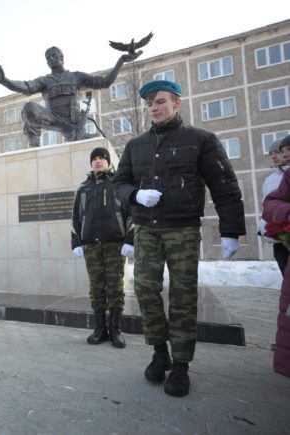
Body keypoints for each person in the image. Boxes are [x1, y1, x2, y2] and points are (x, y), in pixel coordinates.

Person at [112, 80, 246, 397]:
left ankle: (182, 366)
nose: (154, 108)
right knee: (145, 288)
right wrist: (135, 194)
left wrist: (230, 230)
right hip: (146, 228)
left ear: (177, 103)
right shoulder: (136, 145)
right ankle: (160, 352)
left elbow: (225, 186)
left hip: (183, 229)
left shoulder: (200, 140)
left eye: (160, 102)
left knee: (184, 296)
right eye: (149, 104)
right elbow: (118, 184)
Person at [0, 47, 137, 147]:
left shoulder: (76, 77)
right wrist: (4, 80)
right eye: (47, 58)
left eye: (53, 55)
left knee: (96, 142)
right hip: (53, 118)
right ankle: (34, 147)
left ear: (62, 57)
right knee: (29, 107)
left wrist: (122, 60)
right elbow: (25, 87)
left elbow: (105, 82)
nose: (51, 59)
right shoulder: (45, 80)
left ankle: (83, 136)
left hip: (72, 124)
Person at [72, 147, 133, 348]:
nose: (98, 161)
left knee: (115, 287)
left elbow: (131, 214)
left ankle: (116, 330)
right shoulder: (83, 189)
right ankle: (100, 330)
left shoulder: (118, 184)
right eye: (95, 159)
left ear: (108, 162)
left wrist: (130, 240)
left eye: (101, 158)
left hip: (115, 245)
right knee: (96, 288)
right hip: (91, 246)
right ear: (91, 163)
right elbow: (75, 218)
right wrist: (76, 242)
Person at [261, 138, 290, 378]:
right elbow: (269, 204)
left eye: (281, 152)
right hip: (281, 240)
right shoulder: (274, 179)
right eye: (278, 152)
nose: (277, 156)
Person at [258, 137, 289, 275]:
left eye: (277, 152)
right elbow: (267, 205)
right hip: (278, 236)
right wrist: (263, 226)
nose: (274, 156)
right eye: (271, 153)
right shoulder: (269, 179)